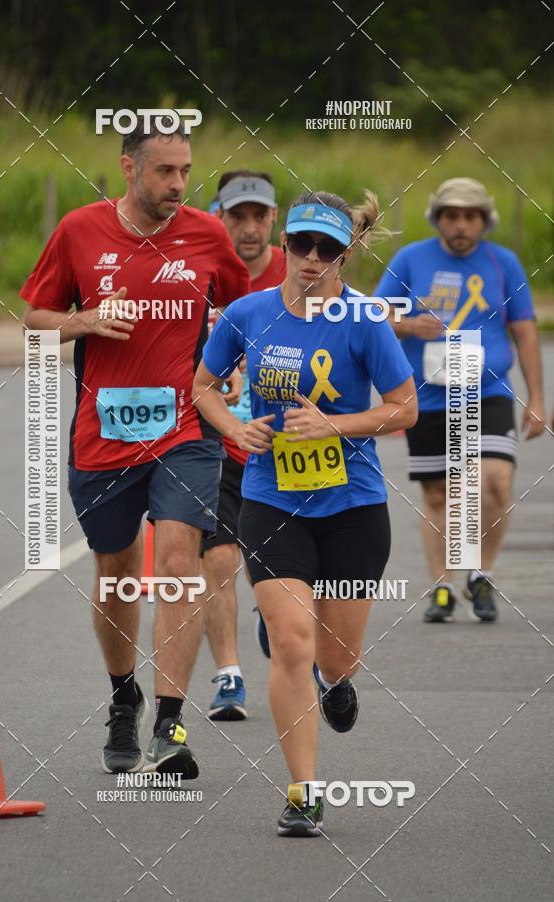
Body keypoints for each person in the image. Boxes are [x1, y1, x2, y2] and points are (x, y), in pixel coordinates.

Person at [21, 120, 250, 776]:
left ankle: (170, 726)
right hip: (105, 435)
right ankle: (125, 697)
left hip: (186, 431)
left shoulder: (208, 234)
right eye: (165, 172)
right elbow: (33, 319)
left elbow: (247, 308)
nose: (179, 184)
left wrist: (230, 355)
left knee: (179, 560)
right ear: (129, 167)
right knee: (118, 575)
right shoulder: (79, 231)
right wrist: (83, 321)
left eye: (185, 171)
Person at [193, 190, 417, 835]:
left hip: (353, 507)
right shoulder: (246, 314)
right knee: (291, 644)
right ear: (285, 244)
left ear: (345, 254)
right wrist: (234, 432)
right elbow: (204, 388)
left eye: (328, 249)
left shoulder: (365, 320)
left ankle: (336, 679)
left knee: (335, 657)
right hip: (271, 500)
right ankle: (303, 790)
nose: (311, 260)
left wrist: (335, 425)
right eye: (301, 245)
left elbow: (404, 408)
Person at [376, 178, 545, 623]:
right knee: (439, 496)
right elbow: (375, 316)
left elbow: (525, 333)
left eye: (469, 216)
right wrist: (411, 325)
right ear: (438, 219)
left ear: (484, 221)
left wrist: (537, 399)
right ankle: (444, 585)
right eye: (451, 215)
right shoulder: (411, 259)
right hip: (428, 395)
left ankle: (480, 573)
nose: (460, 224)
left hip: (487, 392)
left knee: (494, 483)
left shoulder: (503, 263)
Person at [203, 170, 286, 720]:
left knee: (275, 563)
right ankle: (229, 677)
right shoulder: (197, 272)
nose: (249, 228)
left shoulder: (299, 267)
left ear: (274, 219)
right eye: (238, 216)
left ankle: (270, 603)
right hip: (215, 436)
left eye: (259, 216)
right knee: (219, 557)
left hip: (288, 444)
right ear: (219, 216)